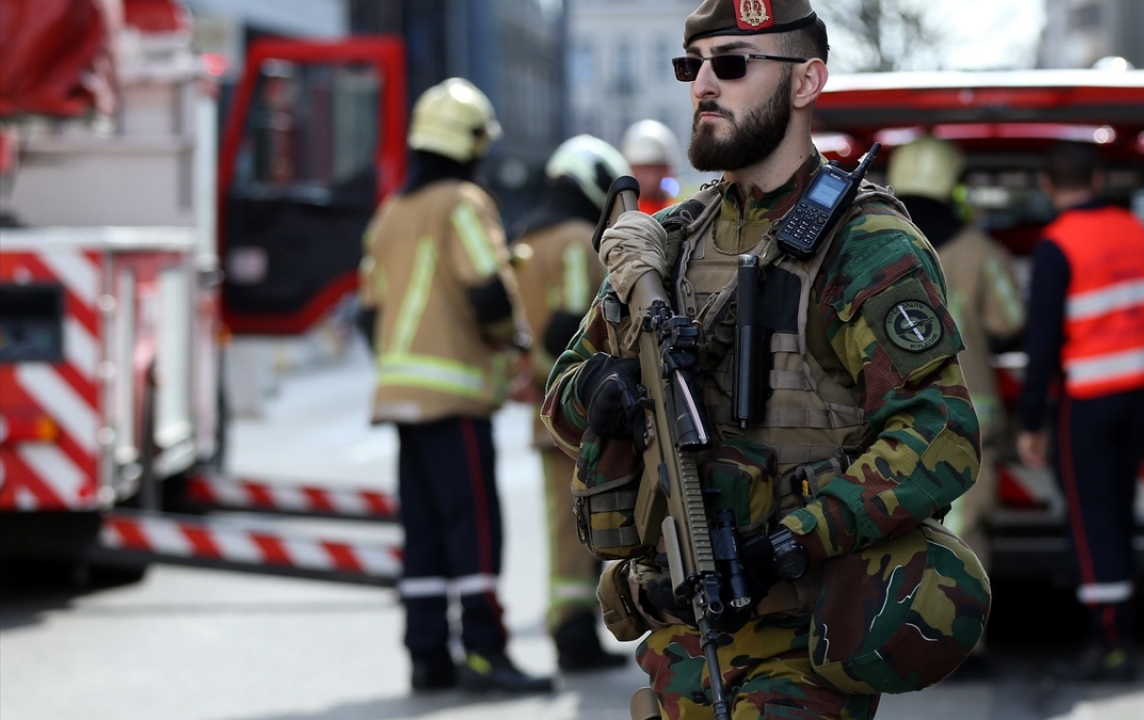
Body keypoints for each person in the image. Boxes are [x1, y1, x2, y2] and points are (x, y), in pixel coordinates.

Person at [541, 2, 986, 717]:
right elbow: (561, 397)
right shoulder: (668, 247)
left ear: (806, 81)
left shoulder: (864, 247)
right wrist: (602, 388)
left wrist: (791, 539)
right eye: (693, 65)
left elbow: (940, 434)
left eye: (733, 64)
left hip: (802, 652)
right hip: (678, 650)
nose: (703, 85)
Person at [357, 77, 553, 695]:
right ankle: (485, 655)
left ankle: (427, 656)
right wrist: (516, 343)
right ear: (470, 142)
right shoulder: (463, 202)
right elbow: (488, 288)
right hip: (455, 396)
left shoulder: (392, 210)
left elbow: (368, 311)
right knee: (474, 524)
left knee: (422, 529)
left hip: (399, 396)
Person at [1017, 141, 1144, 681]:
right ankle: (1121, 629)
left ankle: (1109, 642)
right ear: (1099, 181)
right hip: (1142, 394)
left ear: (1048, 188)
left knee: (1090, 521)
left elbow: (1042, 344)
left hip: (1089, 402)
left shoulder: (1057, 244)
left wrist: (1031, 422)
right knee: (1119, 514)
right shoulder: (1138, 232)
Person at [887, 134, 1026, 679]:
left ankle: (894, 642)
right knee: (963, 536)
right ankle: (961, 647)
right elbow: (1009, 321)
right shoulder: (979, 252)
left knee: (895, 530)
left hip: (891, 422)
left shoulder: (877, 250)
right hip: (969, 419)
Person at [509, 134, 633, 671]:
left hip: (543, 412)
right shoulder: (580, 240)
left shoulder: (527, 241)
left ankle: (571, 624)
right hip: (584, 415)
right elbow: (580, 329)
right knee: (581, 526)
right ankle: (575, 634)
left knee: (561, 522)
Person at [621, 119, 681, 214]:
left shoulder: (678, 214)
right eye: (638, 170)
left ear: (665, 171)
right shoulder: (621, 215)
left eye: (648, 170)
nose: (641, 177)